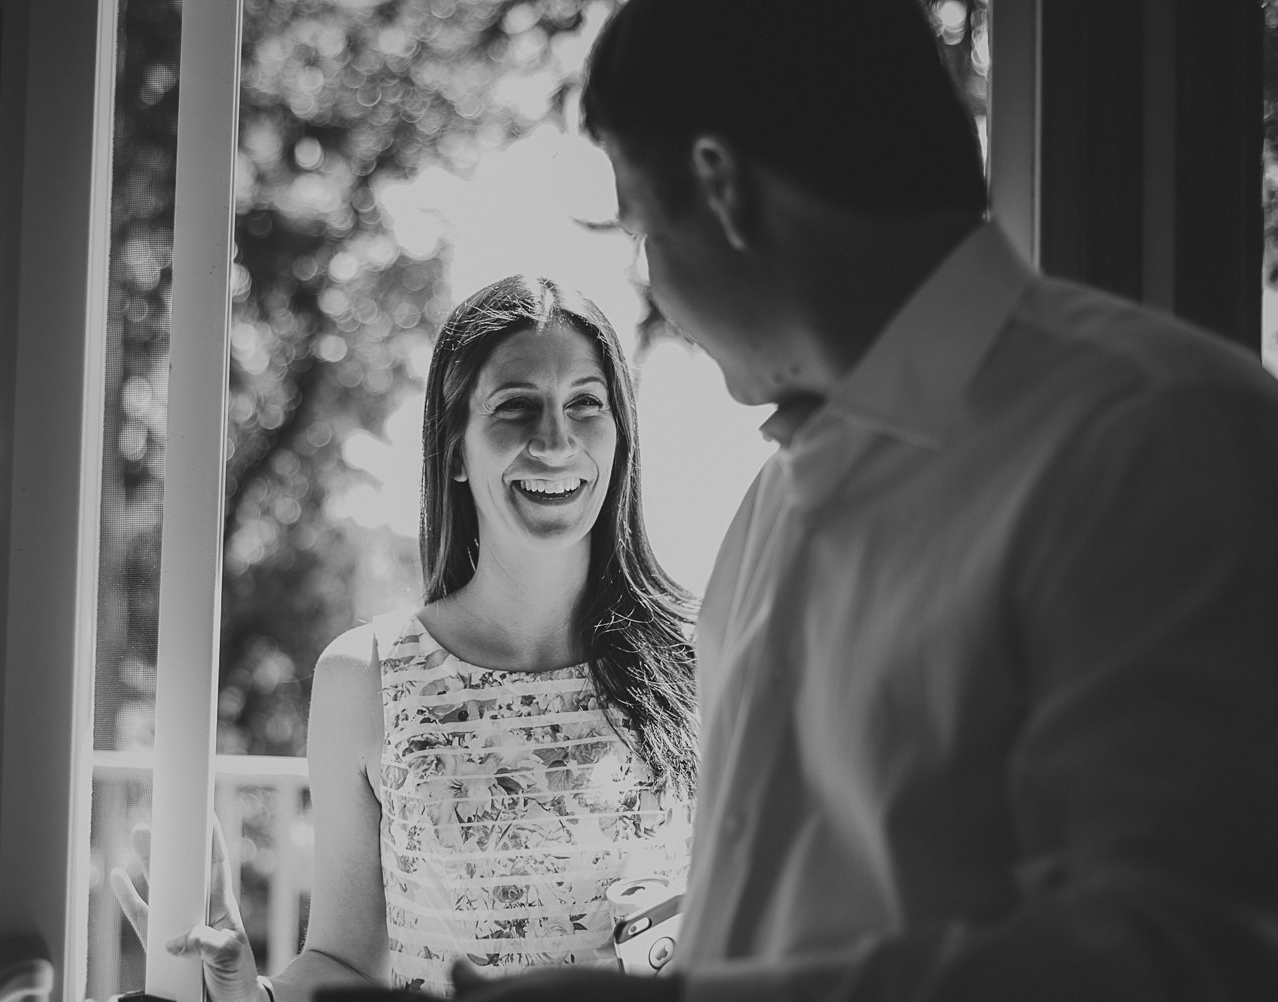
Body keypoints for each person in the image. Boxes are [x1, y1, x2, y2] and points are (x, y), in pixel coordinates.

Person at [367, 1, 1278, 1001]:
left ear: (724, 190)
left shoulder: (1157, 436)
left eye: (642, 233)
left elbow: (1183, 959)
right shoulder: (770, 512)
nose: (653, 289)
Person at [114, 275, 698, 1001]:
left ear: (620, 435)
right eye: (516, 408)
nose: (556, 439)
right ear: (454, 451)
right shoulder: (365, 676)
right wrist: (248, 995)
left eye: (586, 403)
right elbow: (345, 960)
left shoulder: (701, 661)